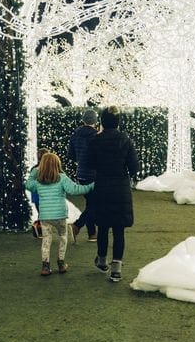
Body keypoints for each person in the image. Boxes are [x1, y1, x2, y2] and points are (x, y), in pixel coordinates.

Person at [86, 107, 138, 282]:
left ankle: (102, 260)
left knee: (102, 227)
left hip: (102, 187)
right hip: (120, 189)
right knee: (119, 229)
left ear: (102, 121)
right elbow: (134, 167)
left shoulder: (95, 140)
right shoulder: (125, 140)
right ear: (118, 122)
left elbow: (88, 162)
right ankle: (116, 269)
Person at [24, 152, 93, 276]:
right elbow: (76, 189)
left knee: (46, 240)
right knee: (63, 237)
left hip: (45, 217)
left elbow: (28, 184)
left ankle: (45, 266)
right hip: (60, 215)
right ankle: (61, 263)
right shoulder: (62, 178)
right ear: (57, 164)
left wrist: (34, 172)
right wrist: (92, 186)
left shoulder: (39, 181)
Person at [68, 109, 99, 242]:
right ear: (95, 121)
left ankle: (92, 234)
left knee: (90, 203)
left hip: (81, 173)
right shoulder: (97, 136)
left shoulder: (76, 134)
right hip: (94, 174)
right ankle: (77, 225)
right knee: (95, 204)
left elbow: (71, 155)